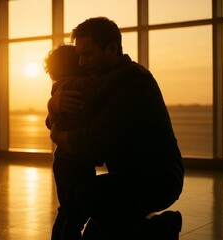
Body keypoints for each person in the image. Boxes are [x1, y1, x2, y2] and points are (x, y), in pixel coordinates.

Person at [47, 17, 184, 240]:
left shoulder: (133, 82)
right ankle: (159, 227)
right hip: (130, 176)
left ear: (112, 48)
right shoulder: (105, 81)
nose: (81, 63)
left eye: (88, 54)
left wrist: (58, 135)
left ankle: (159, 230)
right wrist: (52, 106)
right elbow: (74, 112)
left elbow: (92, 144)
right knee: (94, 233)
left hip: (157, 179)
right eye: (79, 55)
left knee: (88, 193)